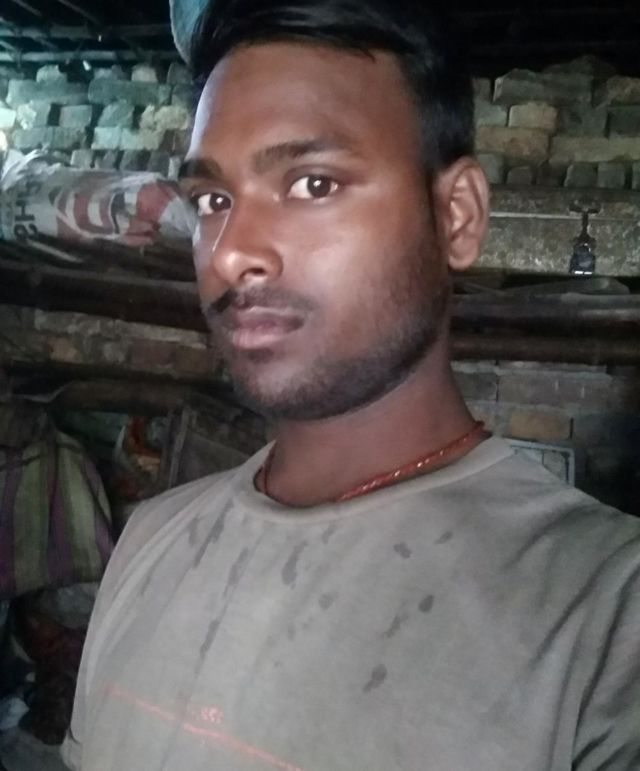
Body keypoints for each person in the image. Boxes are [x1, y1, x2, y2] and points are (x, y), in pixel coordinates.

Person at [62, 1, 640, 769]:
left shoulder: (607, 617)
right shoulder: (149, 543)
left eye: (312, 184)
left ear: (457, 217)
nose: (231, 253)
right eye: (213, 201)